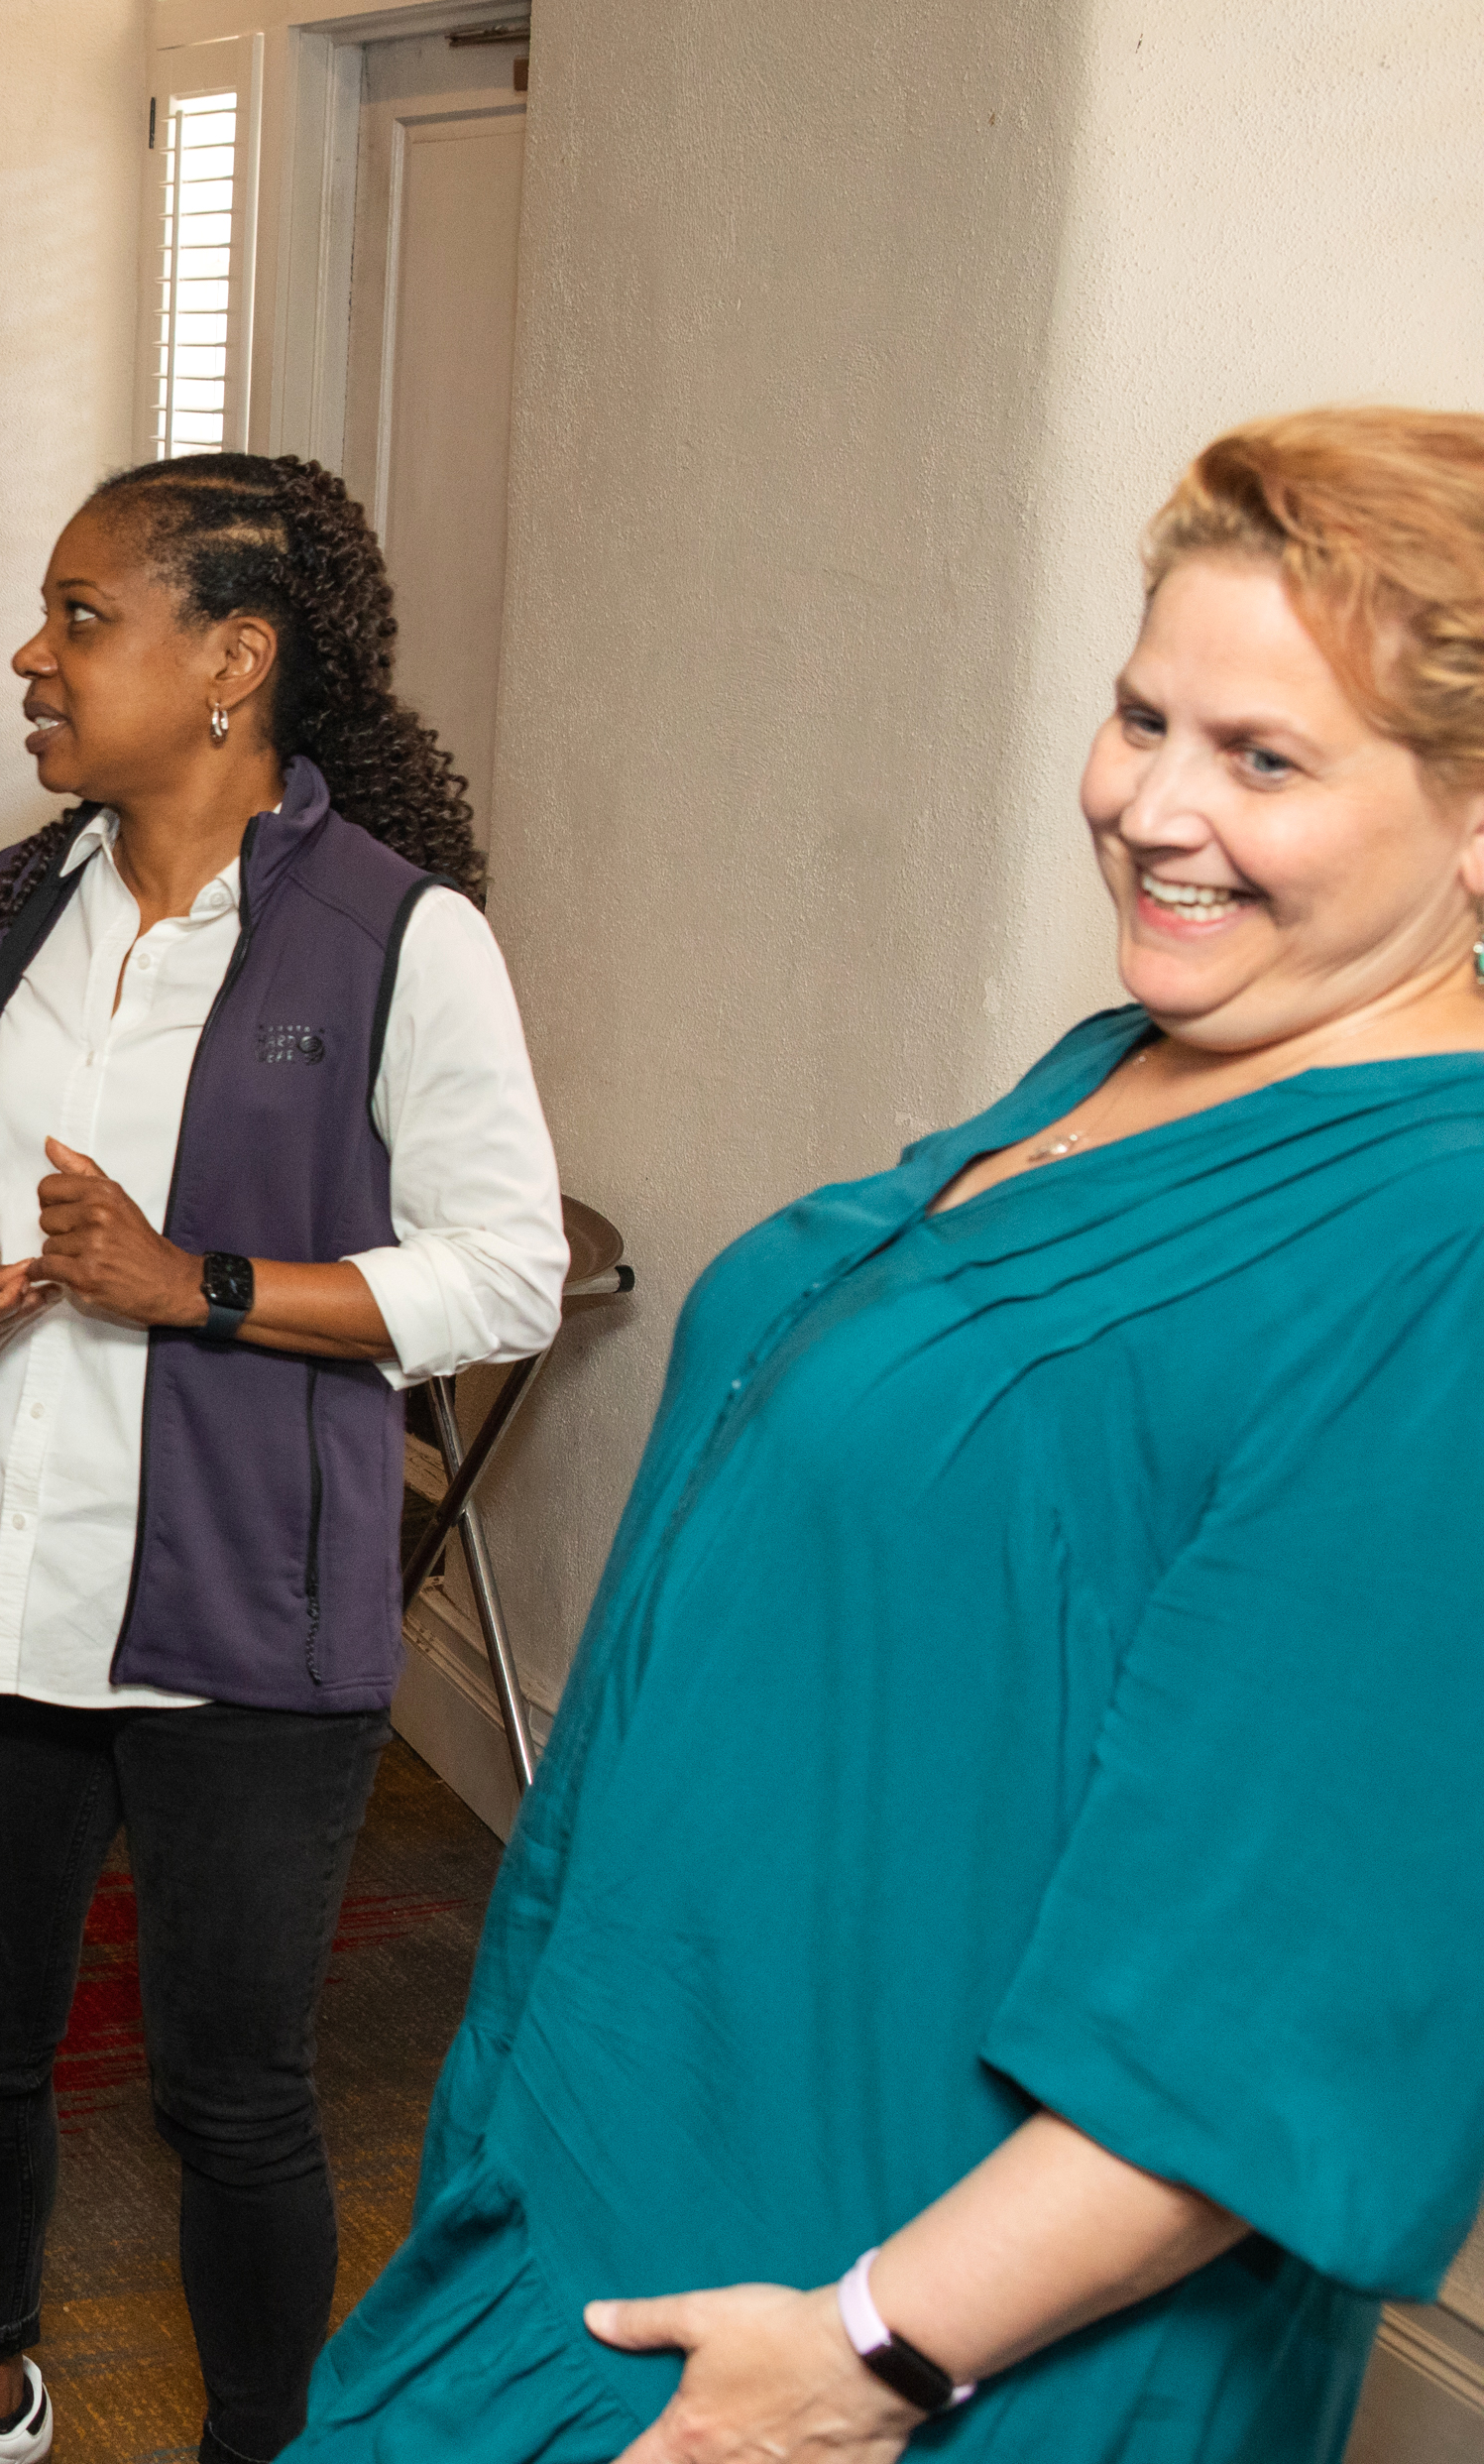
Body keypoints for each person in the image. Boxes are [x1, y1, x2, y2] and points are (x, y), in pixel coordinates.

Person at [285, 408, 1484, 2464]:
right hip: (652, 2146)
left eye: (1263, 758)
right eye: (1140, 718)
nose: (1150, 809)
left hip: (897, 2315)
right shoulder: (1142, 1052)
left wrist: (864, 2356)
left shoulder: (1437, 1247)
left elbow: (1289, 2001)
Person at [0, 453, 569, 2464]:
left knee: (227, 2088)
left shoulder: (398, 940)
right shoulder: (22, 896)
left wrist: (197, 1285)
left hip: (245, 1604)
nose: (28, 655)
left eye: (79, 617)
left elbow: (504, 1272)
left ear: (233, 661)